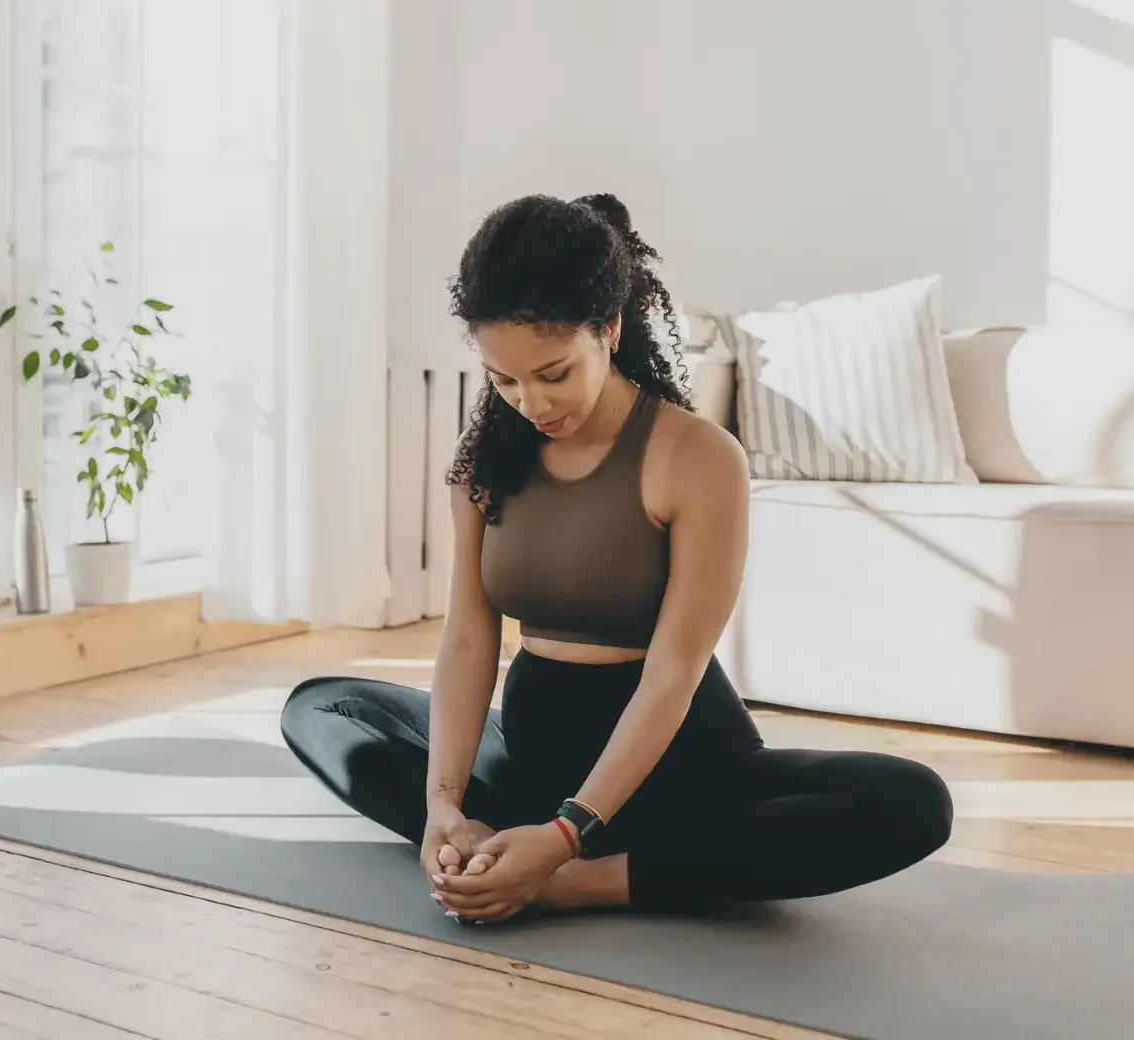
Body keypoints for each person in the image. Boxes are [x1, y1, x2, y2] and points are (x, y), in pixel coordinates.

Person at [280, 192, 953, 923]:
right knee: (322, 708)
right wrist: (441, 804)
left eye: (553, 373)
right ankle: (490, 844)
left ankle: (578, 879)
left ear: (609, 328)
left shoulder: (698, 457)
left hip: (680, 775)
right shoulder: (485, 464)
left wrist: (567, 836)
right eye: (505, 380)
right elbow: (469, 639)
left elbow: (674, 670)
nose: (531, 404)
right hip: (532, 765)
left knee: (911, 801)